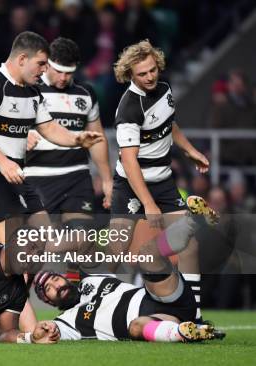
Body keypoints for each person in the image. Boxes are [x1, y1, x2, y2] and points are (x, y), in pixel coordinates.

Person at [0, 31, 102, 330]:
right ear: (22, 59)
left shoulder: (32, 92)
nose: (44, 70)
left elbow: (51, 129)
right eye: (41, 64)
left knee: (50, 243)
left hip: (17, 177)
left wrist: (78, 139)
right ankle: (15, 327)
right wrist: (2, 162)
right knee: (19, 256)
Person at [107, 40, 210, 320]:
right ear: (130, 75)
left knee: (189, 244)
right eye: (143, 74)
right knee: (116, 254)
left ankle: (193, 316)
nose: (150, 77)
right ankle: (88, 307)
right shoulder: (128, 108)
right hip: (131, 186)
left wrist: (190, 151)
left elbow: (169, 124)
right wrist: (149, 204)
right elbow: (129, 162)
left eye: (153, 70)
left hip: (163, 181)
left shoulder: (164, 90)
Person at [32, 196, 221, 343]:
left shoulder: (92, 278)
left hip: (161, 295)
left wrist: (47, 247)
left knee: (147, 254)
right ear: (49, 301)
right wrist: (37, 334)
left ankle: (193, 221)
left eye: (54, 280)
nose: (56, 286)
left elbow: (84, 240)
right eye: (48, 288)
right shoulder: (66, 322)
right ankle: (184, 332)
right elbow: (41, 333)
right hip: (159, 319)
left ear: (64, 277)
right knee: (136, 327)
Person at [25, 37, 112, 276]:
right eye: (59, 71)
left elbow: (97, 138)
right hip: (37, 179)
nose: (63, 78)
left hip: (76, 177)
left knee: (82, 243)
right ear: (47, 64)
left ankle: (73, 308)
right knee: (31, 258)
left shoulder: (86, 94)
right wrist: (24, 136)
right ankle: (16, 308)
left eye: (69, 73)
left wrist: (107, 179)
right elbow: (3, 127)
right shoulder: (28, 90)